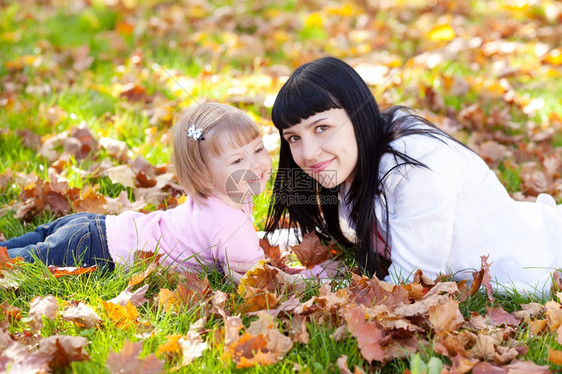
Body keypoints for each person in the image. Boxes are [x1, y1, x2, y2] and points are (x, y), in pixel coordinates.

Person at [265, 56, 562, 294]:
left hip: (544, 257)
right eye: (294, 138)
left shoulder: (416, 166)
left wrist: (302, 285)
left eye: (322, 128)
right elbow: (335, 236)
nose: (308, 153)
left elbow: (410, 282)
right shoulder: (350, 166)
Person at [2, 102, 273, 283]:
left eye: (259, 149)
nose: (256, 164)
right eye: (237, 161)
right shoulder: (230, 225)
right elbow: (257, 276)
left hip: (95, 226)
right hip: (95, 250)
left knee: (22, 246)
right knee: (14, 263)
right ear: (202, 174)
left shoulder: (220, 195)